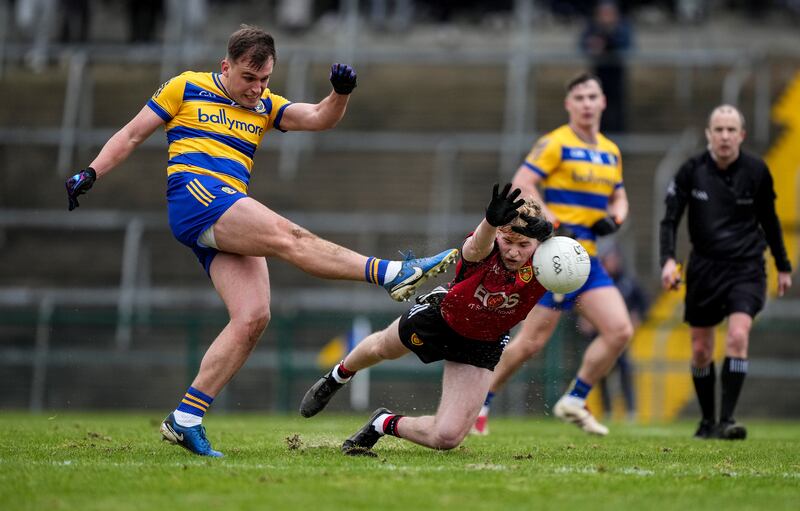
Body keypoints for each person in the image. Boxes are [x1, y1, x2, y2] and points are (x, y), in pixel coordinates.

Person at [64, 25, 458, 457]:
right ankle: (392, 273)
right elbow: (131, 134)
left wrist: (341, 93)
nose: (256, 89)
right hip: (197, 196)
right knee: (290, 236)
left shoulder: (267, 105)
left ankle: (186, 418)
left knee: (252, 317)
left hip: (227, 208)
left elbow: (318, 117)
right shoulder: (186, 86)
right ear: (226, 66)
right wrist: (92, 171)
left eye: (264, 80)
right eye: (248, 79)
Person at [299, 183, 553, 454]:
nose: (514, 252)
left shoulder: (548, 262)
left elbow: (573, 259)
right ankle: (337, 376)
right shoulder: (485, 249)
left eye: (523, 244)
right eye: (508, 241)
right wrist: (490, 223)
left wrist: (555, 233)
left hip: (483, 344)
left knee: (447, 438)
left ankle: (382, 423)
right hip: (441, 319)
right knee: (383, 348)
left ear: (537, 244)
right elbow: (476, 244)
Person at [473, 72, 633, 437]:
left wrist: (617, 215)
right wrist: (549, 215)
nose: (587, 104)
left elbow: (619, 194)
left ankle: (575, 399)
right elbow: (521, 182)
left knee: (619, 330)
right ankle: (480, 401)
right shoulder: (555, 143)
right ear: (569, 105)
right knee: (530, 344)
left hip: (587, 259)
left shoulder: (611, 150)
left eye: (593, 97)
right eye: (579, 98)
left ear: (603, 102)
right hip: (554, 260)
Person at [659, 105, 792, 440]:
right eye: (718, 129)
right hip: (704, 268)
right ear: (708, 134)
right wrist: (668, 260)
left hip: (746, 267)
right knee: (701, 349)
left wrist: (783, 264)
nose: (725, 136)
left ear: (741, 135)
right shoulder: (691, 171)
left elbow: (771, 221)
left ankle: (728, 420)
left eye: (731, 130)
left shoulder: (757, 171)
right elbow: (670, 219)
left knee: (737, 336)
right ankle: (707, 421)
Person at [576, 243, 648, 420]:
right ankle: (607, 410)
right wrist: (585, 317)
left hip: (620, 337)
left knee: (625, 370)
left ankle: (631, 411)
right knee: (600, 372)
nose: (612, 262)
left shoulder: (628, 282)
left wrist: (637, 316)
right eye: (609, 259)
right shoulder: (594, 282)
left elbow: (643, 303)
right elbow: (579, 302)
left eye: (614, 259)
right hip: (598, 336)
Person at [579, 0, 633, 133]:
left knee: (616, 110)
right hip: (598, 74)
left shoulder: (622, 29)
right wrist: (592, 46)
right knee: (597, 109)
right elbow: (582, 45)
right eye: (603, 13)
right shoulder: (592, 29)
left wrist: (611, 44)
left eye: (609, 13)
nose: (606, 17)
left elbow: (628, 48)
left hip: (616, 75)